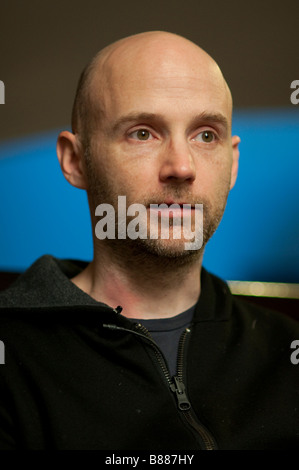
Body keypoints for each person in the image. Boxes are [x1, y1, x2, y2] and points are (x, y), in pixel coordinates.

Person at [0, 31, 298, 451]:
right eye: (143, 133)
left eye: (206, 135)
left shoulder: (286, 355)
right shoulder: (12, 358)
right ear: (75, 161)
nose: (181, 166)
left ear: (232, 165)